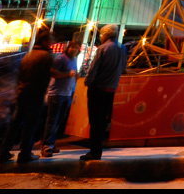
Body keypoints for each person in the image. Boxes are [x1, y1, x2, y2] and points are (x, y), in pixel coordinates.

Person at [0, 27, 63, 164]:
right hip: (35, 94)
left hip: (22, 92)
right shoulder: (45, 56)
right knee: (30, 124)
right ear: (45, 42)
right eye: (51, 41)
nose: (52, 44)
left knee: (15, 122)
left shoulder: (29, 55)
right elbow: (52, 73)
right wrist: (68, 74)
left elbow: (20, 74)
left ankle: (3, 151)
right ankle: (25, 153)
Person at [81, 25, 127, 161]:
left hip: (98, 89)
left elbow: (94, 69)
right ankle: (97, 150)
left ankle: (95, 152)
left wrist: (87, 83)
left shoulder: (103, 48)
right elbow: (123, 67)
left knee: (95, 121)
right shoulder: (122, 48)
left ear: (105, 35)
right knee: (103, 121)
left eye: (101, 35)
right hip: (111, 89)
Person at [40, 41, 80, 157]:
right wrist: (68, 74)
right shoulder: (60, 59)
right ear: (68, 47)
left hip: (67, 94)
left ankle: (51, 143)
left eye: (77, 48)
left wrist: (75, 77)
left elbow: (72, 74)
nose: (74, 50)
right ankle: (46, 146)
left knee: (59, 121)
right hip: (56, 93)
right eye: (72, 47)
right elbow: (53, 73)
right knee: (52, 120)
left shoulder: (74, 60)